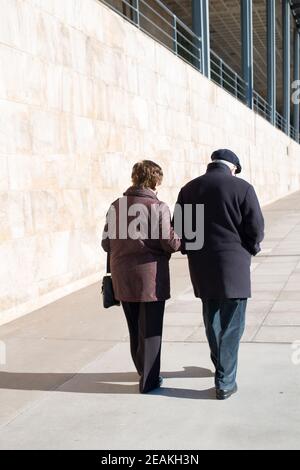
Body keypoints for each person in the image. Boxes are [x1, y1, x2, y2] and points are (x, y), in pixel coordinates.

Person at [175, 149, 265, 400]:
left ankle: (221, 365)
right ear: (233, 167)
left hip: (201, 263)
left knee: (211, 317)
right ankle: (225, 381)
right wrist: (250, 248)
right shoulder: (242, 187)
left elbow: (181, 228)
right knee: (233, 323)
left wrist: (192, 251)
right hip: (233, 263)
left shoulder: (189, 189)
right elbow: (255, 226)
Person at [102, 160, 181, 394]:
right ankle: (148, 381)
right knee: (152, 330)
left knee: (134, 328)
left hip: (123, 277)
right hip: (150, 278)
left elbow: (106, 243)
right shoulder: (158, 207)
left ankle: (142, 369)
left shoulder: (116, 205)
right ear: (155, 180)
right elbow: (170, 241)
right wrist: (182, 240)